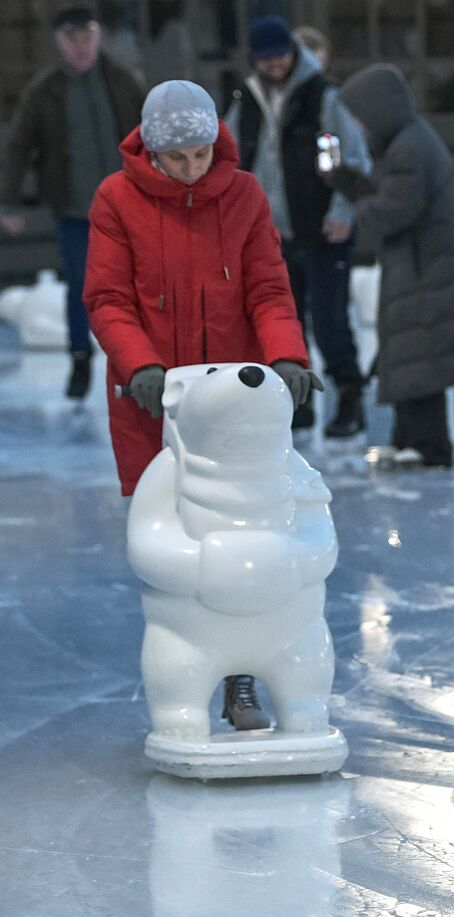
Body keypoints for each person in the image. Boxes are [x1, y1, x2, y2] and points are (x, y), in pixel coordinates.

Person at [84, 79, 321, 730]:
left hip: (229, 407)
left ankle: (240, 681)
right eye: (178, 157)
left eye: (201, 153)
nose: (193, 167)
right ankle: (185, 670)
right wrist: (142, 365)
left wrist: (287, 357)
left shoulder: (242, 196)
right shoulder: (115, 199)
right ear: (152, 151)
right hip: (151, 400)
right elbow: (106, 299)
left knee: (243, 537)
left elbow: (269, 289)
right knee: (176, 545)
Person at [323, 64, 454, 468]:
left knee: (420, 355)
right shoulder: (405, 142)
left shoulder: (410, 147)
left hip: (430, 267)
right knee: (407, 351)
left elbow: (395, 209)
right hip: (422, 263)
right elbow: (387, 193)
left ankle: (429, 445)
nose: (357, 125)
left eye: (360, 116)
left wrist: (360, 210)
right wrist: (348, 181)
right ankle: (409, 437)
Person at [225, 16, 372, 439]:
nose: (274, 66)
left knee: (329, 320)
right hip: (271, 237)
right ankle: (297, 402)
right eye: (266, 59)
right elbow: (231, 160)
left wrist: (343, 212)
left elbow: (352, 161)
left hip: (322, 229)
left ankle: (349, 396)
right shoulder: (247, 101)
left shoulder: (323, 97)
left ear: (292, 53)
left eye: (281, 57)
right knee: (282, 324)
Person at [0, 5, 144, 400]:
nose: (81, 47)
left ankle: (138, 361)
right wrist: (8, 203)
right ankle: (80, 358)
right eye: (71, 39)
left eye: (87, 37)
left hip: (126, 205)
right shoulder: (43, 91)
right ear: (59, 43)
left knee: (136, 283)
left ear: (98, 38)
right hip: (73, 209)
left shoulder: (122, 81)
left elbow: (147, 134)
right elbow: (17, 148)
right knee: (82, 286)